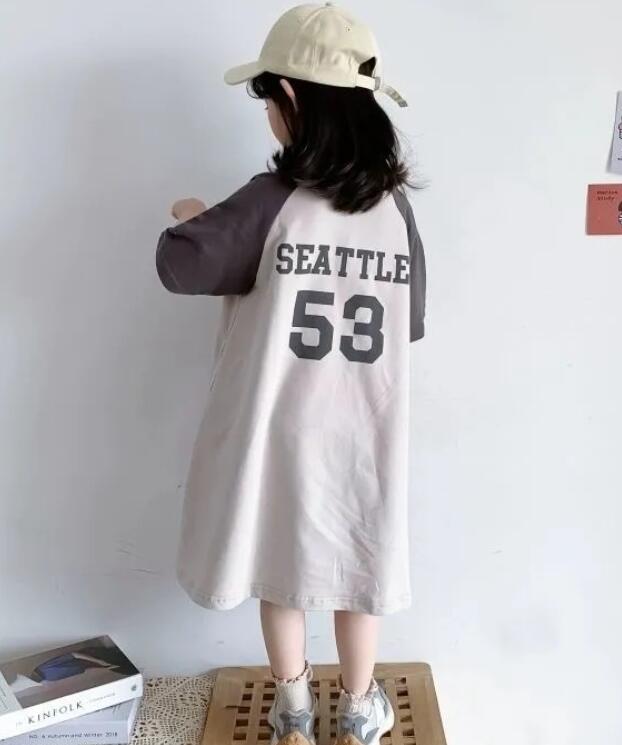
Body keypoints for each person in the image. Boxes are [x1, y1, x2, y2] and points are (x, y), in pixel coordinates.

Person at [154, 4, 426, 745]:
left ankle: (294, 708)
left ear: (293, 99)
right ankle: (361, 707)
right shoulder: (395, 211)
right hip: (365, 429)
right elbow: (409, 321)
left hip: (279, 426)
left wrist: (191, 211)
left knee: (282, 568)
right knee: (359, 567)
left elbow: (180, 263)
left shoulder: (270, 202)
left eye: (268, 101)